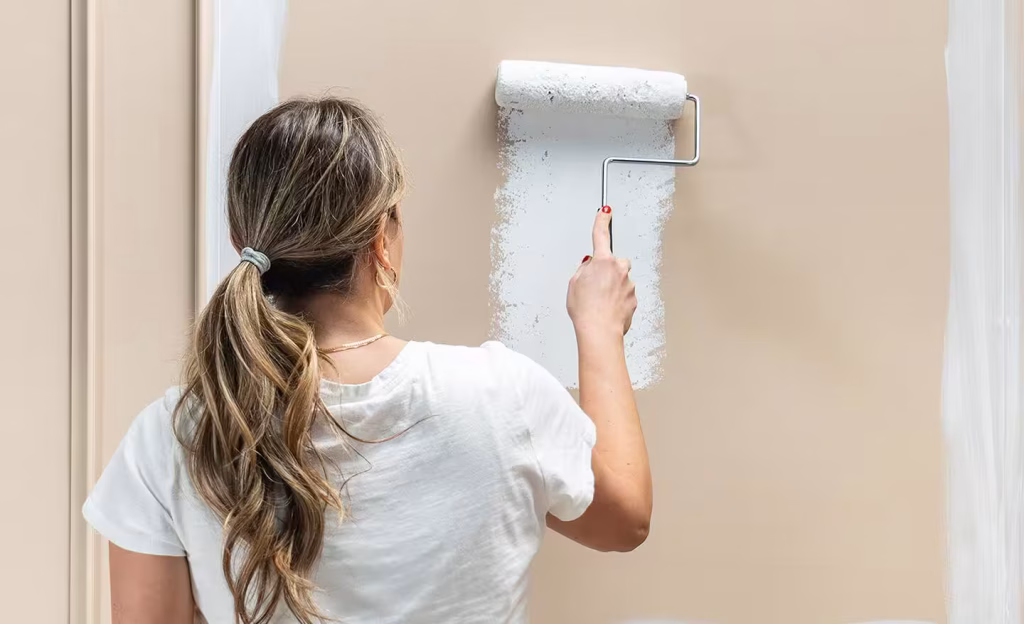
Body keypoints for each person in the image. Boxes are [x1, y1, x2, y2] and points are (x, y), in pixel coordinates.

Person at [82, 97, 652, 624]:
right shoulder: (502, 397)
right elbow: (624, 520)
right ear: (382, 238)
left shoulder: (173, 435)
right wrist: (599, 328)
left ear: (242, 240)